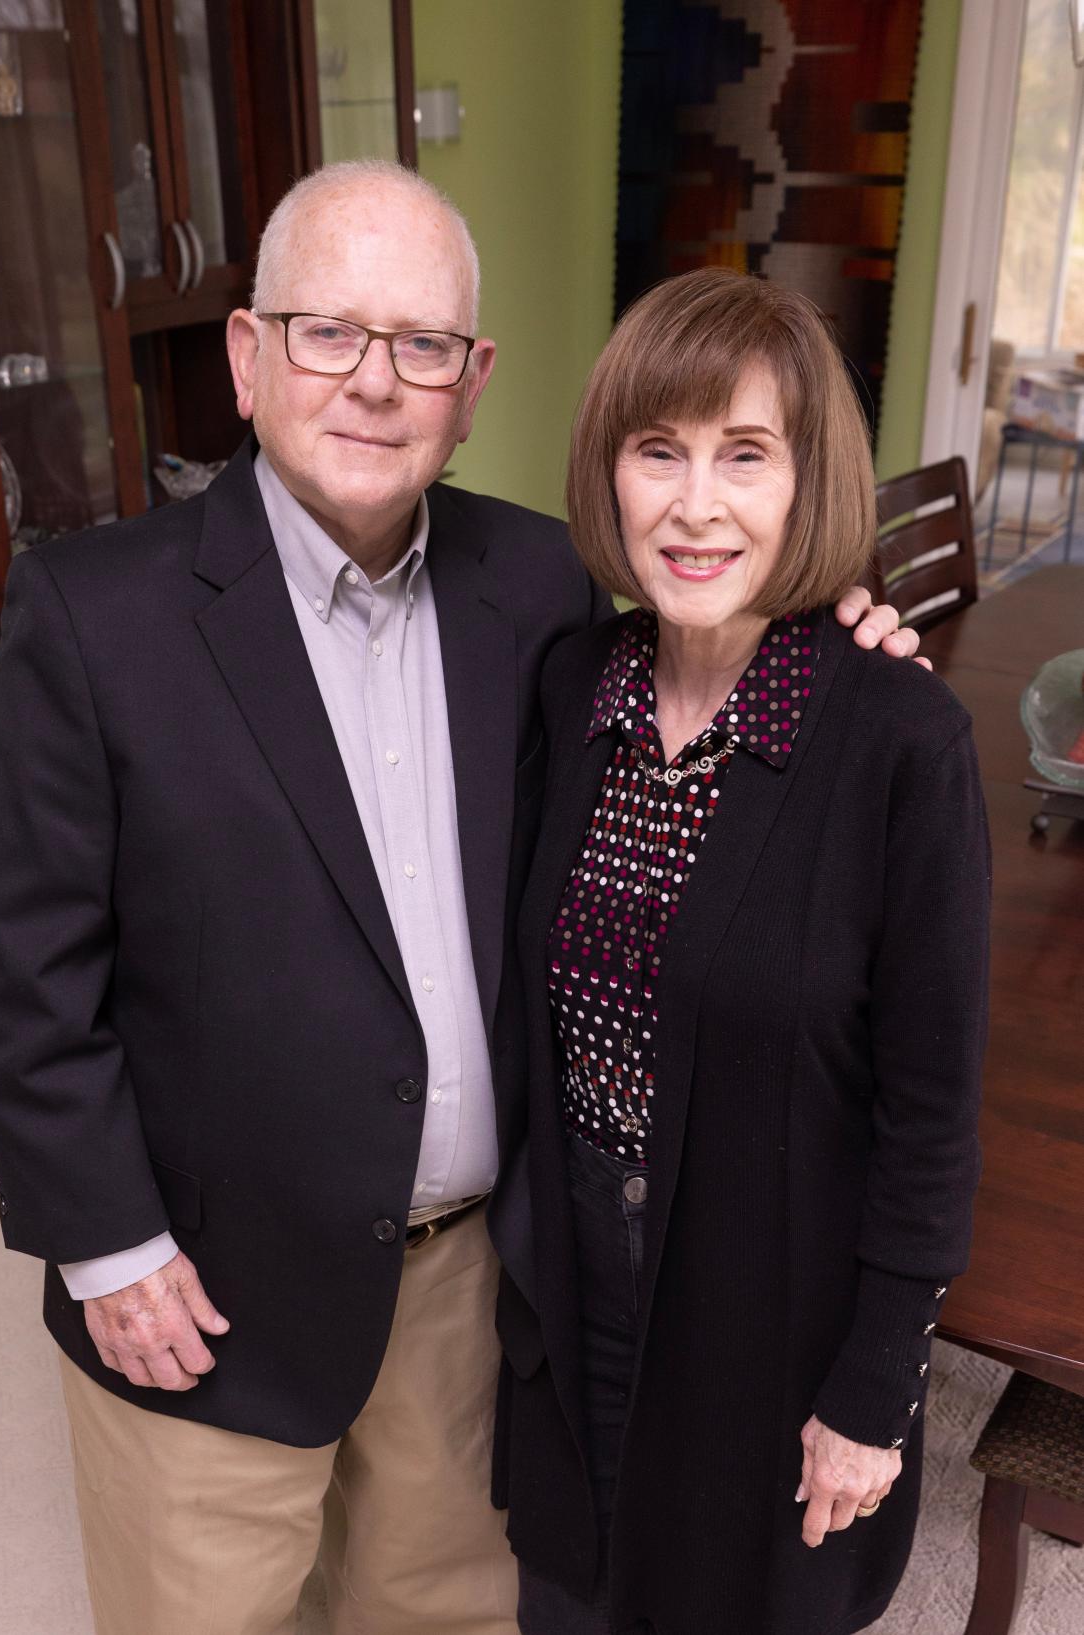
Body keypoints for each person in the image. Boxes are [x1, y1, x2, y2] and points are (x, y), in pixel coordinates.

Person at [0, 163, 921, 1635]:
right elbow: (20, 968)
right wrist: (109, 1245)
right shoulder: (93, 613)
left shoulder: (532, 581)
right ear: (246, 356)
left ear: (471, 388)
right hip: (204, 1293)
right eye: (327, 332)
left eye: (421, 348)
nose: (373, 384)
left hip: (471, 1287)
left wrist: (838, 629)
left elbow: (687, 685)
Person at [495, 267, 990, 1635]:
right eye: (658, 451)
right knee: (571, 1601)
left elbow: (930, 1116)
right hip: (574, 1282)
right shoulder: (568, 687)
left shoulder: (898, 740)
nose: (694, 504)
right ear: (609, 474)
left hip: (766, 1330)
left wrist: (872, 1392)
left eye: (744, 455)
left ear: (806, 480)